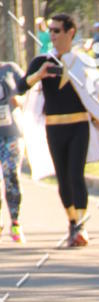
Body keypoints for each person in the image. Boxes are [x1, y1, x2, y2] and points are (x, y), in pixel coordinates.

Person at [17, 12, 99, 247]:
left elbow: (92, 95)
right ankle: (72, 222)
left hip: (79, 125)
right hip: (54, 127)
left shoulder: (82, 62)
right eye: (51, 30)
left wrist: (98, 118)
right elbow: (20, 88)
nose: (53, 35)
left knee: (76, 175)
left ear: (71, 32)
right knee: (63, 179)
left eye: (57, 30)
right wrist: (39, 75)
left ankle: (80, 226)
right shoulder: (42, 61)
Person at [0, 59, 25, 242]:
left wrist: (21, 100)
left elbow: (29, 90)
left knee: (11, 175)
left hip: (12, 134)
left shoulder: (10, 69)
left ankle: (15, 222)